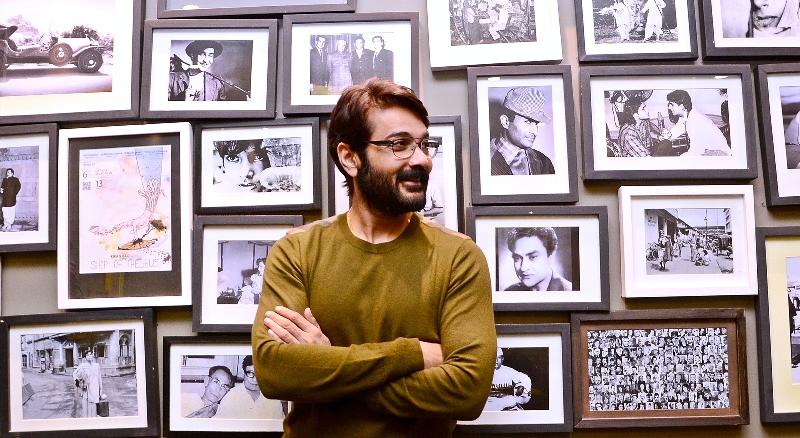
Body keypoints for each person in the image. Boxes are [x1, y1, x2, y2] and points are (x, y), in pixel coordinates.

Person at [251, 77, 496, 437]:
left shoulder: (458, 256)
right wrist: (411, 354)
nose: (423, 160)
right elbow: (276, 372)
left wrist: (328, 367)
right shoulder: (297, 251)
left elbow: (468, 391)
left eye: (424, 144)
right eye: (400, 144)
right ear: (350, 158)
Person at [490, 87, 555, 175]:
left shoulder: (544, 162)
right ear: (505, 122)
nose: (535, 132)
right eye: (527, 122)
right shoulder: (482, 159)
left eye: (536, 123)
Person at [663, 89, 731, 157]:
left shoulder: (695, 120)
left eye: (672, 104)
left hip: (719, 154)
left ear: (682, 106)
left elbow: (695, 152)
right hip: (707, 151)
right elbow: (679, 128)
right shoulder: (687, 113)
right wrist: (667, 135)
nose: (669, 107)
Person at [216, 355, 286, 419]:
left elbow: (280, 426)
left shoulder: (273, 399)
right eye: (250, 373)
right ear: (243, 373)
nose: (255, 379)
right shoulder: (230, 397)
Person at [504, 227, 572, 291]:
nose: (523, 268)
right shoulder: (509, 292)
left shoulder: (570, 293)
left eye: (532, 257)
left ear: (551, 256)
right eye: (517, 258)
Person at [72, 351, 104, 418]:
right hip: (86, 390)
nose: (89, 356)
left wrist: (100, 390)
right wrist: (81, 381)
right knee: (86, 408)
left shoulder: (96, 366)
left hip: (94, 389)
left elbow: (99, 378)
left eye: (90, 354)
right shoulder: (83, 366)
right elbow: (75, 374)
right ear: (85, 357)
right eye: (87, 355)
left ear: (92, 355)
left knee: (94, 408)